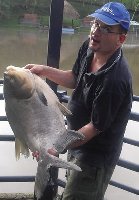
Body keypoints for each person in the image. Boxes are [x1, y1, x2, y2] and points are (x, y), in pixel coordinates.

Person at [25, 2, 133, 200]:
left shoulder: (115, 80)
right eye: (95, 23)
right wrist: (44, 70)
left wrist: (55, 146)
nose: (95, 31)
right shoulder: (90, 47)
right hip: (76, 144)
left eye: (106, 28)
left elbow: (94, 127)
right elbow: (75, 77)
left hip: (94, 159)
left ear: (121, 39)